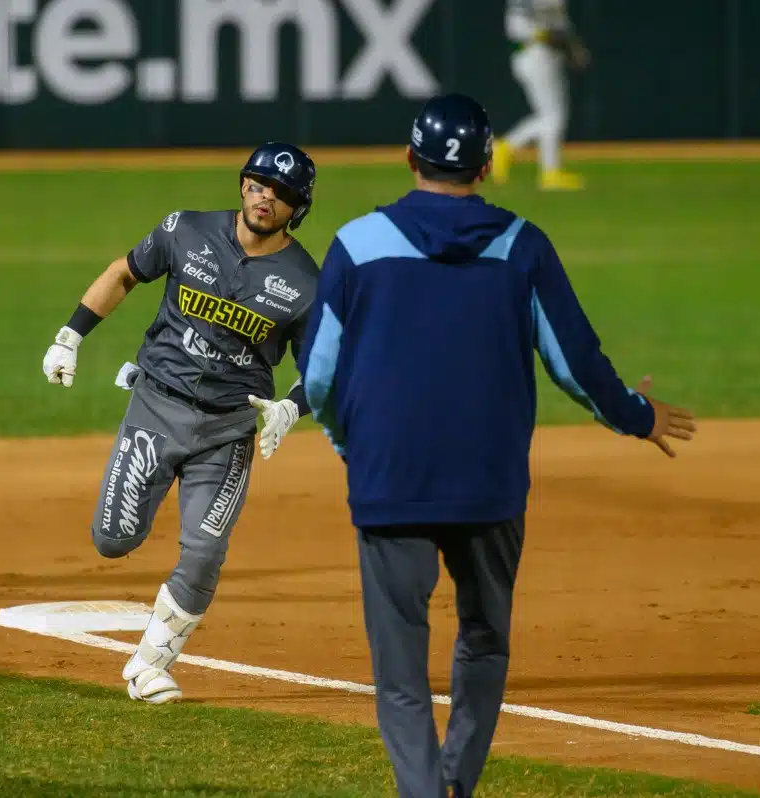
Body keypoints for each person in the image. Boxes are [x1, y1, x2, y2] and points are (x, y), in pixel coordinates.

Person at [296, 93, 696, 798]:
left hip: (390, 476)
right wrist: (637, 416)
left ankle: (424, 792)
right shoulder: (522, 244)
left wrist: (345, 440)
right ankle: (458, 782)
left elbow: (318, 374)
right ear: (487, 166)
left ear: (409, 159)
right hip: (490, 480)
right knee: (484, 637)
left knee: (400, 668)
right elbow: (574, 363)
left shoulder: (357, 244)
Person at [41, 143, 319, 703]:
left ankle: (149, 666)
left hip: (228, 431)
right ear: (243, 185)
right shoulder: (184, 230)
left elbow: (325, 367)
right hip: (155, 407)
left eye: (283, 193)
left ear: (298, 208)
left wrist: (292, 405)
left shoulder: (307, 282)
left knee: (206, 548)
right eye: (261, 184)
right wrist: (69, 336)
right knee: (112, 540)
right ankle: (147, 645)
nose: (268, 197)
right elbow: (124, 273)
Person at [491, 0, 589, 191]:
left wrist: (573, 47)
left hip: (540, 54)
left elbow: (559, 23)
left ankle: (510, 150)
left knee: (549, 117)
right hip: (535, 52)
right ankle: (546, 171)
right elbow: (548, 21)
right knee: (552, 118)